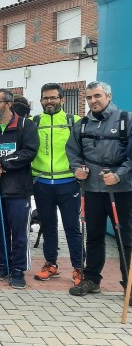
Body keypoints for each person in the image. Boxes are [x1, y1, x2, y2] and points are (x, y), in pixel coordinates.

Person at [67, 81, 132, 297]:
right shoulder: (82, 125)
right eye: (89, 97)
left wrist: (119, 174)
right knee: (93, 236)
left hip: (121, 191)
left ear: (109, 96)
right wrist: (77, 169)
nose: (93, 101)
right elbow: (73, 152)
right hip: (92, 189)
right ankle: (92, 280)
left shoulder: (126, 120)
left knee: (126, 238)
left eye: (97, 96)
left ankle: (129, 285)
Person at [0, 88, 38, 289]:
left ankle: (18, 269)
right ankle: (4, 264)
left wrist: (1, 163)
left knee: (19, 232)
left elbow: (29, 152)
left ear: (9, 104)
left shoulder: (26, 126)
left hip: (18, 190)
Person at [31, 83, 83, 286]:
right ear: (41, 100)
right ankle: (50, 265)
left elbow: (84, 149)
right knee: (49, 226)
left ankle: (79, 268)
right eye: (45, 98)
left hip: (68, 183)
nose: (49, 101)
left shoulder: (74, 121)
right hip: (42, 183)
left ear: (62, 99)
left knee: (72, 227)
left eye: (53, 98)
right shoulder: (34, 122)